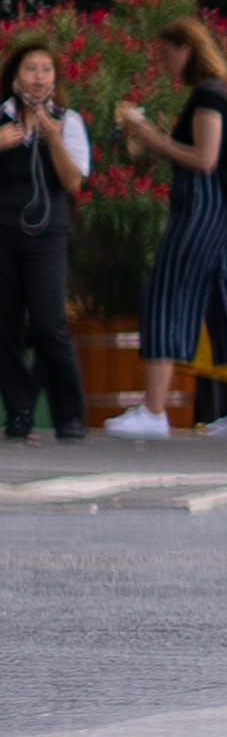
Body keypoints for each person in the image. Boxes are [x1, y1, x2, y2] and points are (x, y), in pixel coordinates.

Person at [106, 12, 227, 438]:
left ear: (187, 50)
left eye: (166, 53)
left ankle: (154, 410)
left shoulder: (208, 98)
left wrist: (150, 135)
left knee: (165, 295)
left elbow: (204, 159)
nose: (163, 63)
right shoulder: (218, 94)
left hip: (200, 212)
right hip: (223, 216)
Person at [1, 37, 86, 441]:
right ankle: (19, 411)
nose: (38, 77)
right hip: (2, 232)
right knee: (5, 325)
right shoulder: (2, 119)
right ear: (15, 76)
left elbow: (73, 182)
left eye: (46, 70)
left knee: (50, 322)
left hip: (47, 233)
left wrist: (52, 137)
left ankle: (69, 414)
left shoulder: (68, 121)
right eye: (30, 69)